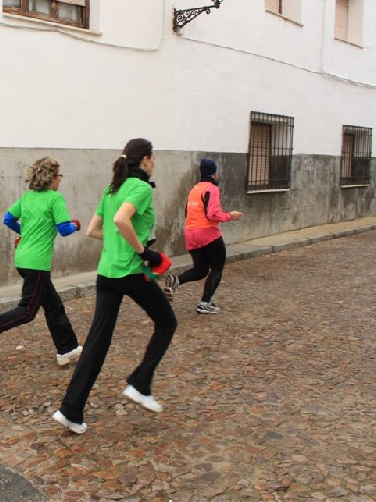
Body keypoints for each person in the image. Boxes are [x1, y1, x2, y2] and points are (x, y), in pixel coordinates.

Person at [52, 138, 177, 435]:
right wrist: (142, 251)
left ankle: (70, 410)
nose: (154, 162)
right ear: (145, 160)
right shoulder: (142, 188)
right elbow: (122, 220)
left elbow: (95, 230)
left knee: (97, 342)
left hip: (106, 273)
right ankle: (140, 383)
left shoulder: (113, 188)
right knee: (167, 322)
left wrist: (121, 243)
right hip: (131, 272)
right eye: (153, 158)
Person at [0, 157, 83, 366]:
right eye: (60, 176)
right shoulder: (55, 199)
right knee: (27, 311)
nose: (61, 180)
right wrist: (76, 224)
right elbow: (64, 230)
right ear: (51, 178)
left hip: (23, 258)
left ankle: (67, 349)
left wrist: (26, 232)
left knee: (53, 306)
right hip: (37, 263)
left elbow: (8, 219)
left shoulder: (27, 198)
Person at [164, 158, 243, 314]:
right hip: (208, 233)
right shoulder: (212, 188)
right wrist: (229, 216)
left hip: (190, 233)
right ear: (214, 173)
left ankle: (176, 280)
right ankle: (205, 303)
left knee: (200, 270)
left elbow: (187, 213)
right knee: (217, 268)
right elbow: (212, 214)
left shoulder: (194, 190)